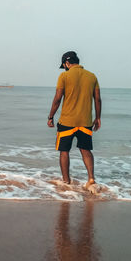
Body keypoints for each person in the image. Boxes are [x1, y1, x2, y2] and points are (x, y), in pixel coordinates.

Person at [47, 51, 101, 186]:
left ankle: (66, 181)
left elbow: (57, 99)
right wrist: (98, 117)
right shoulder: (92, 76)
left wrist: (51, 116)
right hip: (85, 121)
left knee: (64, 151)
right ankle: (91, 179)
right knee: (85, 150)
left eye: (64, 65)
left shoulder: (64, 76)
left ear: (66, 63)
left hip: (67, 121)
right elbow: (98, 99)